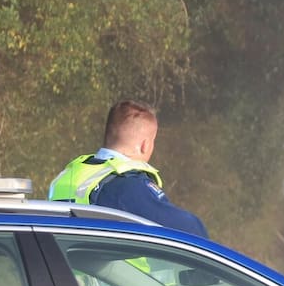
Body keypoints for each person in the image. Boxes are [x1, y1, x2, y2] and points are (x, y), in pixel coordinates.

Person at [51, 100, 208, 237]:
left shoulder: (70, 175)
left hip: (63, 269)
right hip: (125, 272)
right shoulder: (127, 185)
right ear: (145, 145)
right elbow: (189, 229)